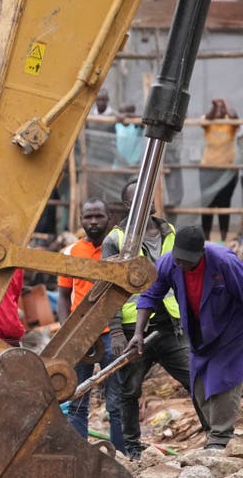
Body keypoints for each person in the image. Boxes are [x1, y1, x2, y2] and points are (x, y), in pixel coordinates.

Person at [102, 180, 192, 459]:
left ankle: (214, 439)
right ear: (129, 205)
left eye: (149, 196)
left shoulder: (170, 231)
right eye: (140, 198)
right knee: (128, 392)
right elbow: (108, 290)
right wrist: (116, 333)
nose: (149, 201)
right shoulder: (115, 240)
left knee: (196, 379)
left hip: (171, 326)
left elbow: (183, 277)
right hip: (132, 330)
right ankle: (132, 450)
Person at [131, 226, 243, 450]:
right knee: (199, 383)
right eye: (179, 260)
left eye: (188, 262)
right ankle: (213, 433)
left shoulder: (223, 262)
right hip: (198, 330)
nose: (182, 265)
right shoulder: (167, 263)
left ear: (201, 253)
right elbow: (150, 296)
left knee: (223, 380)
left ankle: (220, 438)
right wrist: (137, 332)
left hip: (230, 330)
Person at [57, 199, 122, 447]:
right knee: (77, 399)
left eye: (98, 216)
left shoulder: (117, 250)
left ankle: (121, 455)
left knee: (116, 401)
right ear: (81, 220)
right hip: (80, 334)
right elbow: (63, 296)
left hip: (110, 333)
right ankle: (79, 451)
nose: (93, 222)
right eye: (88, 217)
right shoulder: (72, 252)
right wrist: (68, 331)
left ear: (109, 218)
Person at [200, 98, 239, 241]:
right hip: (208, 170)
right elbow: (206, 119)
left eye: (221, 108)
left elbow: (235, 117)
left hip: (227, 172)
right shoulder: (208, 121)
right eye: (217, 108)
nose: (219, 110)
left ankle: (223, 238)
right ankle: (206, 238)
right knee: (207, 204)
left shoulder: (230, 122)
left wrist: (225, 104)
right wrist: (214, 107)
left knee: (224, 204)